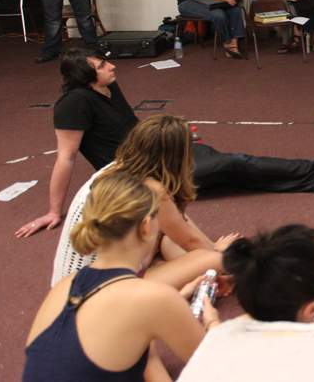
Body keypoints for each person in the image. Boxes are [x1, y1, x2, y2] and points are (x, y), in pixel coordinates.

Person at [15, 47, 314, 239]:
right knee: (233, 164)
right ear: (85, 76)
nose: (111, 65)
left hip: (156, 153)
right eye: (102, 65)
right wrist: (53, 211)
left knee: (228, 167)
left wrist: (172, 138)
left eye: (105, 61)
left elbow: (131, 128)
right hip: (136, 174)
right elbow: (66, 158)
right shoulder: (73, 104)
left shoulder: (108, 85)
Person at [23, 171, 219, 382]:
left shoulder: (64, 287)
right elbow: (220, 369)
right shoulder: (154, 298)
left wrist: (170, 304)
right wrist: (213, 325)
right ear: (146, 226)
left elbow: (146, 357)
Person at [50, 115, 242, 288]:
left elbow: (178, 222)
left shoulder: (121, 166)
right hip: (107, 287)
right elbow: (189, 239)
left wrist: (209, 247)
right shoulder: (151, 187)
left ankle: (201, 277)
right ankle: (205, 282)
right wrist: (219, 255)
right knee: (213, 260)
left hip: (75, 281)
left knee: (172, 243)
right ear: (175, 156)